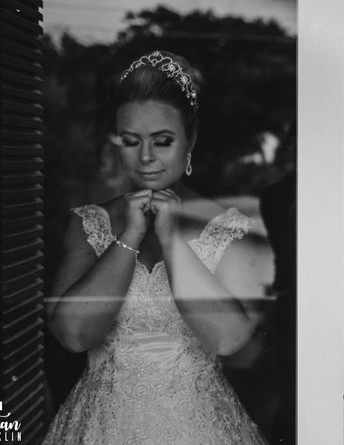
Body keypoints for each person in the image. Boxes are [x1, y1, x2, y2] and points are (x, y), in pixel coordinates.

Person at [43, 50, 267, 444]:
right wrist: (128, 236)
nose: (146, 157)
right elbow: (73, 337)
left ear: (190, 139)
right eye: (131, 141)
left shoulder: (226, 227)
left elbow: (229, 339)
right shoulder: (88, 223)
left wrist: (170, 238)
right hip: (103, 427)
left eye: (162, 141)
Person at [259, 127, 344, 443]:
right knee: (294, 400)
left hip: (341, 305)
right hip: (296, 304)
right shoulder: (277, 195)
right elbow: (288, 244)